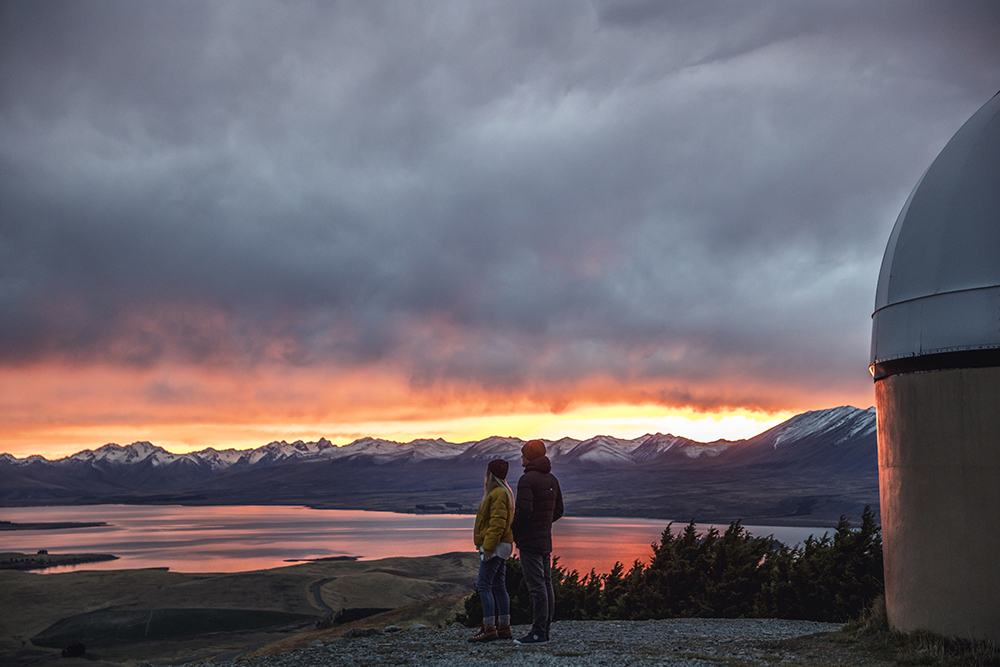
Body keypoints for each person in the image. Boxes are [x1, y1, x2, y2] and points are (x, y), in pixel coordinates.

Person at [511, 439, 563, 644]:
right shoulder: (552, 479)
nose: (521, 458)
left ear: (529, 457)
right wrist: (543, 524)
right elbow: (559, 511)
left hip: (530, 541)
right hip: (544, 539)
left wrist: (514, 529)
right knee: (546, 584)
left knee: (537, 587)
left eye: (523, 454)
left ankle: (538, 633)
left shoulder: (527, 480)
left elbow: (524, 511)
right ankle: (544, 630)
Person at [468, 458, 515, 642]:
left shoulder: (497, 493)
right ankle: (504, 627)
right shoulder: (505, 492)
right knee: (498, 585)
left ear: (490, 474)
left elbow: (497, 523)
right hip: (501, 545)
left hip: (495, 546)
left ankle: (489, 628)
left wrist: (488, 548)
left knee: (483, 585)